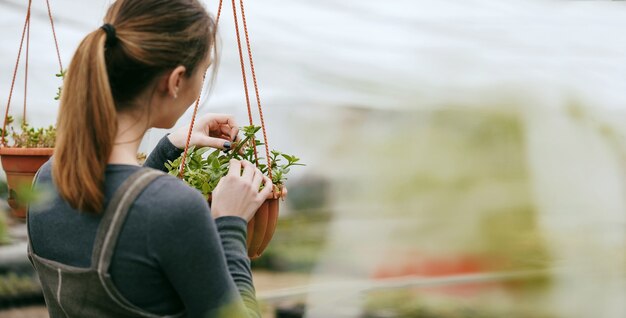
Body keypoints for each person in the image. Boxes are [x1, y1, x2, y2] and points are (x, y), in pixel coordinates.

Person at [26, 0, 270, 317]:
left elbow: (119, 213)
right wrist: (230, 223)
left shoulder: (45, 179)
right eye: (204, 70)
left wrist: (168, 148)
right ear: (176, 80)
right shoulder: (175, 208)